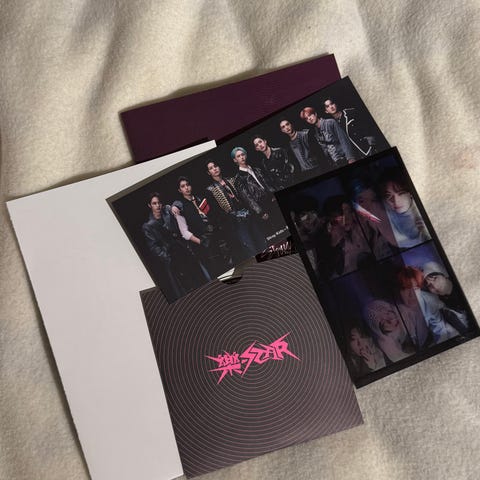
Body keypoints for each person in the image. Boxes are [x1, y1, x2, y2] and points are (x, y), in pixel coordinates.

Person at [142, 192, 206, 300]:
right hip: (172, 259)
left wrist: (175, 206)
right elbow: (154, 248)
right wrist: (168, 257)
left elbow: (179, 203)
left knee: (199, 278)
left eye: (159, 203)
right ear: (149, 205)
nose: (158, 205)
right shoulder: (148, 226)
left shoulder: (167, 210)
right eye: (154, 203)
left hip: (184, 250)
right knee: (186, 288)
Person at [205, 160, 266, 260]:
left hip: (248, 214)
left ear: (219, 167)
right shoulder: (210, 190)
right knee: (249, 247)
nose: (214, 169)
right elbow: (216, 211)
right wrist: (232, 216)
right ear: (209, 173)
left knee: (261, 240)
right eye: (211, 168)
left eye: (215, 166)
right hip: (235, 222)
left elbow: (245, 197)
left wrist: (253, 210)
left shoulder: (232, 180)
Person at [231, 146, 286, 241]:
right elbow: (247, 198)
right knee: (274, 234)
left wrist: (274, 195)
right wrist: (260, 212)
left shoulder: (256, 169)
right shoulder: (239, 179)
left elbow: (267, 183)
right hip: (261, 206)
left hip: (272, 200)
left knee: (283, 226)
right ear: (235, 160)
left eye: (243, 154)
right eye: (238, 156)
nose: (242, 157)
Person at [172, 176, 221, 279]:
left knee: (224, 266)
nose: (186, 188)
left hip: (214, 238)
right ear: (179, 190)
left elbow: (211, 216)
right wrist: (201, 241)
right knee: (214, 273)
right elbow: (184, 232)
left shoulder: (199, 199)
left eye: (188, 185)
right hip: (201, 244)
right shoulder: (180, 207)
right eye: (183, 186)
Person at [377, 168, 431, 249]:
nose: (395, 201)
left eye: (401, 193)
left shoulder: (424, 211)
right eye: (388, 196)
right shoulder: (384, 209)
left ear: (410, 193)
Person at [323, 195, 373, 277]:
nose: (345, 218)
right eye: (339, 216)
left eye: (348, 211)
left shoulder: (363, 228)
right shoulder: (335, 241)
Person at [422, 261, 470, 335]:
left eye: (435, 279)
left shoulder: (464, 284)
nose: (435, 286)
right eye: (429, 286)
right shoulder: (443, 308)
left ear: (444, 274)